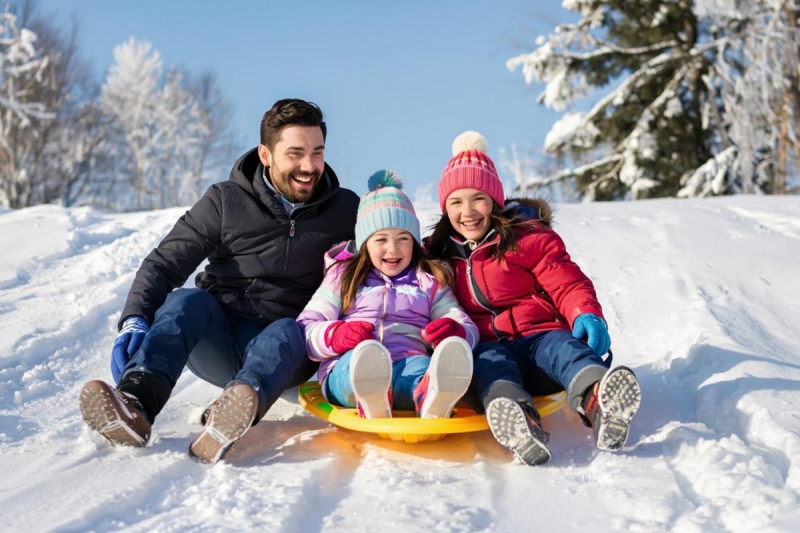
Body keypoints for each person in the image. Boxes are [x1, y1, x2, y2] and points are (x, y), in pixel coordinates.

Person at [78, 99, 360, 464]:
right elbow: (165, 263)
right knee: (187, 301)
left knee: (288, 329)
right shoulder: (226, 201)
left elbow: (396, 257)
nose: (309, 166)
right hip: (222, 338)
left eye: (317, 152)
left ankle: (234, 411)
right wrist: (135, 317)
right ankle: (136, 404)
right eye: (295, 153)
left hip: (290, 349)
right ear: (266, 154)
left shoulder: (346, 210)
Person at [426, 131, 641, 466]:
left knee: (566, 350)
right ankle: (517, 419)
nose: (468, 211)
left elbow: (566, 282)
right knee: (488, 369)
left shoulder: (527, 237)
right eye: (456, 202)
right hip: (487, 345)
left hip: (540, 336)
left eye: (478, 198)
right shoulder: (436, 253)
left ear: (495, 200)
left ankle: (600, 399)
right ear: (444, 208)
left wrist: (584, 313)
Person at [297, 170, 478, 419]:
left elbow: (464, 324)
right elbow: (306, 327)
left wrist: (455, 332)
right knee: (359, 363)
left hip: (408, 360)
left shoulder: (429, 280)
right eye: (381, 239)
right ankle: (369, 394)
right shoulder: (343, 276)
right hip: (349, 364)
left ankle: (430, 394)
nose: (393, 249)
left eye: (403, 238)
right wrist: (335, 335)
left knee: (422, 369)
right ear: (364, 243)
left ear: (413, 241)